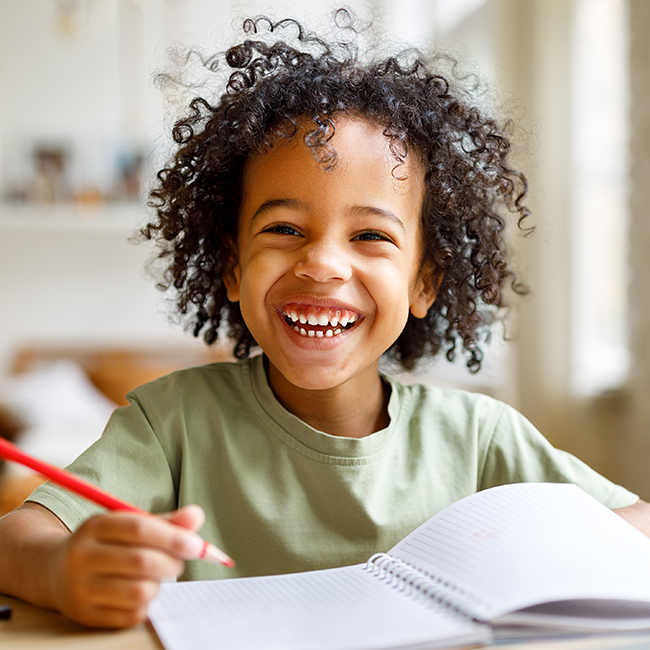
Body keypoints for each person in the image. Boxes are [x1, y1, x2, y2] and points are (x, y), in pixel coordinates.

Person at [0, 10, 648, 630]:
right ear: (231, 266)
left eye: (370, 235)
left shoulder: (479, 437)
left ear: (424, 283)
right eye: (284, 228)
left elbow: (636, 523)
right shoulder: (171, 425)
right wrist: (60, 570)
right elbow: (16, 539)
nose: (323, 264)